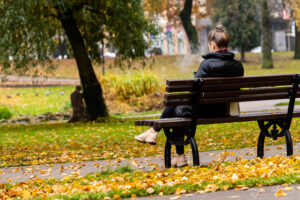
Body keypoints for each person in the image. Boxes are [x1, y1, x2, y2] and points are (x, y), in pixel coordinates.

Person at [135, 24, 244, 167]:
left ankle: (155, 131)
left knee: (176, 107)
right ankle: (178, 156)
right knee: (179, 108)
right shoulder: (238, 66)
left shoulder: (206, 65)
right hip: (225, 111)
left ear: (212, 45)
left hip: (202, 112)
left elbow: (193, 94)